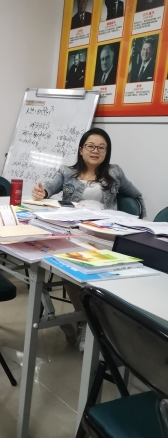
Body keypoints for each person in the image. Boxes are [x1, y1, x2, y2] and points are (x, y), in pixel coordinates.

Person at [31, 128, 146, 350]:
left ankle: (103, 322)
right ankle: (86, 320)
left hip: (105, 232)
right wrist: (40, 193)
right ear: (81, 149)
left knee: (98, 269)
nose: (96, 151)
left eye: (101, 147)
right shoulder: (67, 172)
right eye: (91, 146)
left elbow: (136, 196)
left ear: (107, 152)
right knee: (70, 265)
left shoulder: (115, 172)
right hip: (74, 230)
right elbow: (48, 189)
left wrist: (137, 222)